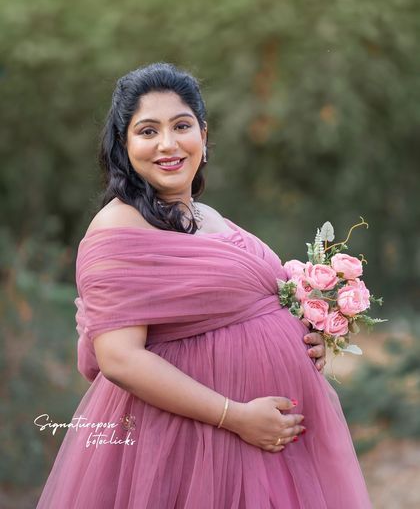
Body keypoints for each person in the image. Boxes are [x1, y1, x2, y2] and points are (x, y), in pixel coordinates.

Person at [36, 63, 372, 508]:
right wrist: (236, 417)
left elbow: (250, 307)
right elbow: (119, 358)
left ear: (204, 134)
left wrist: (311, 333)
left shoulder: (208, 216)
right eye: (148, 131)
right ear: (123, 145)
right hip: (191, 445)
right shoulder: (117, 226)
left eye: (181, 126)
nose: (168, 144)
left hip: (271, 443)